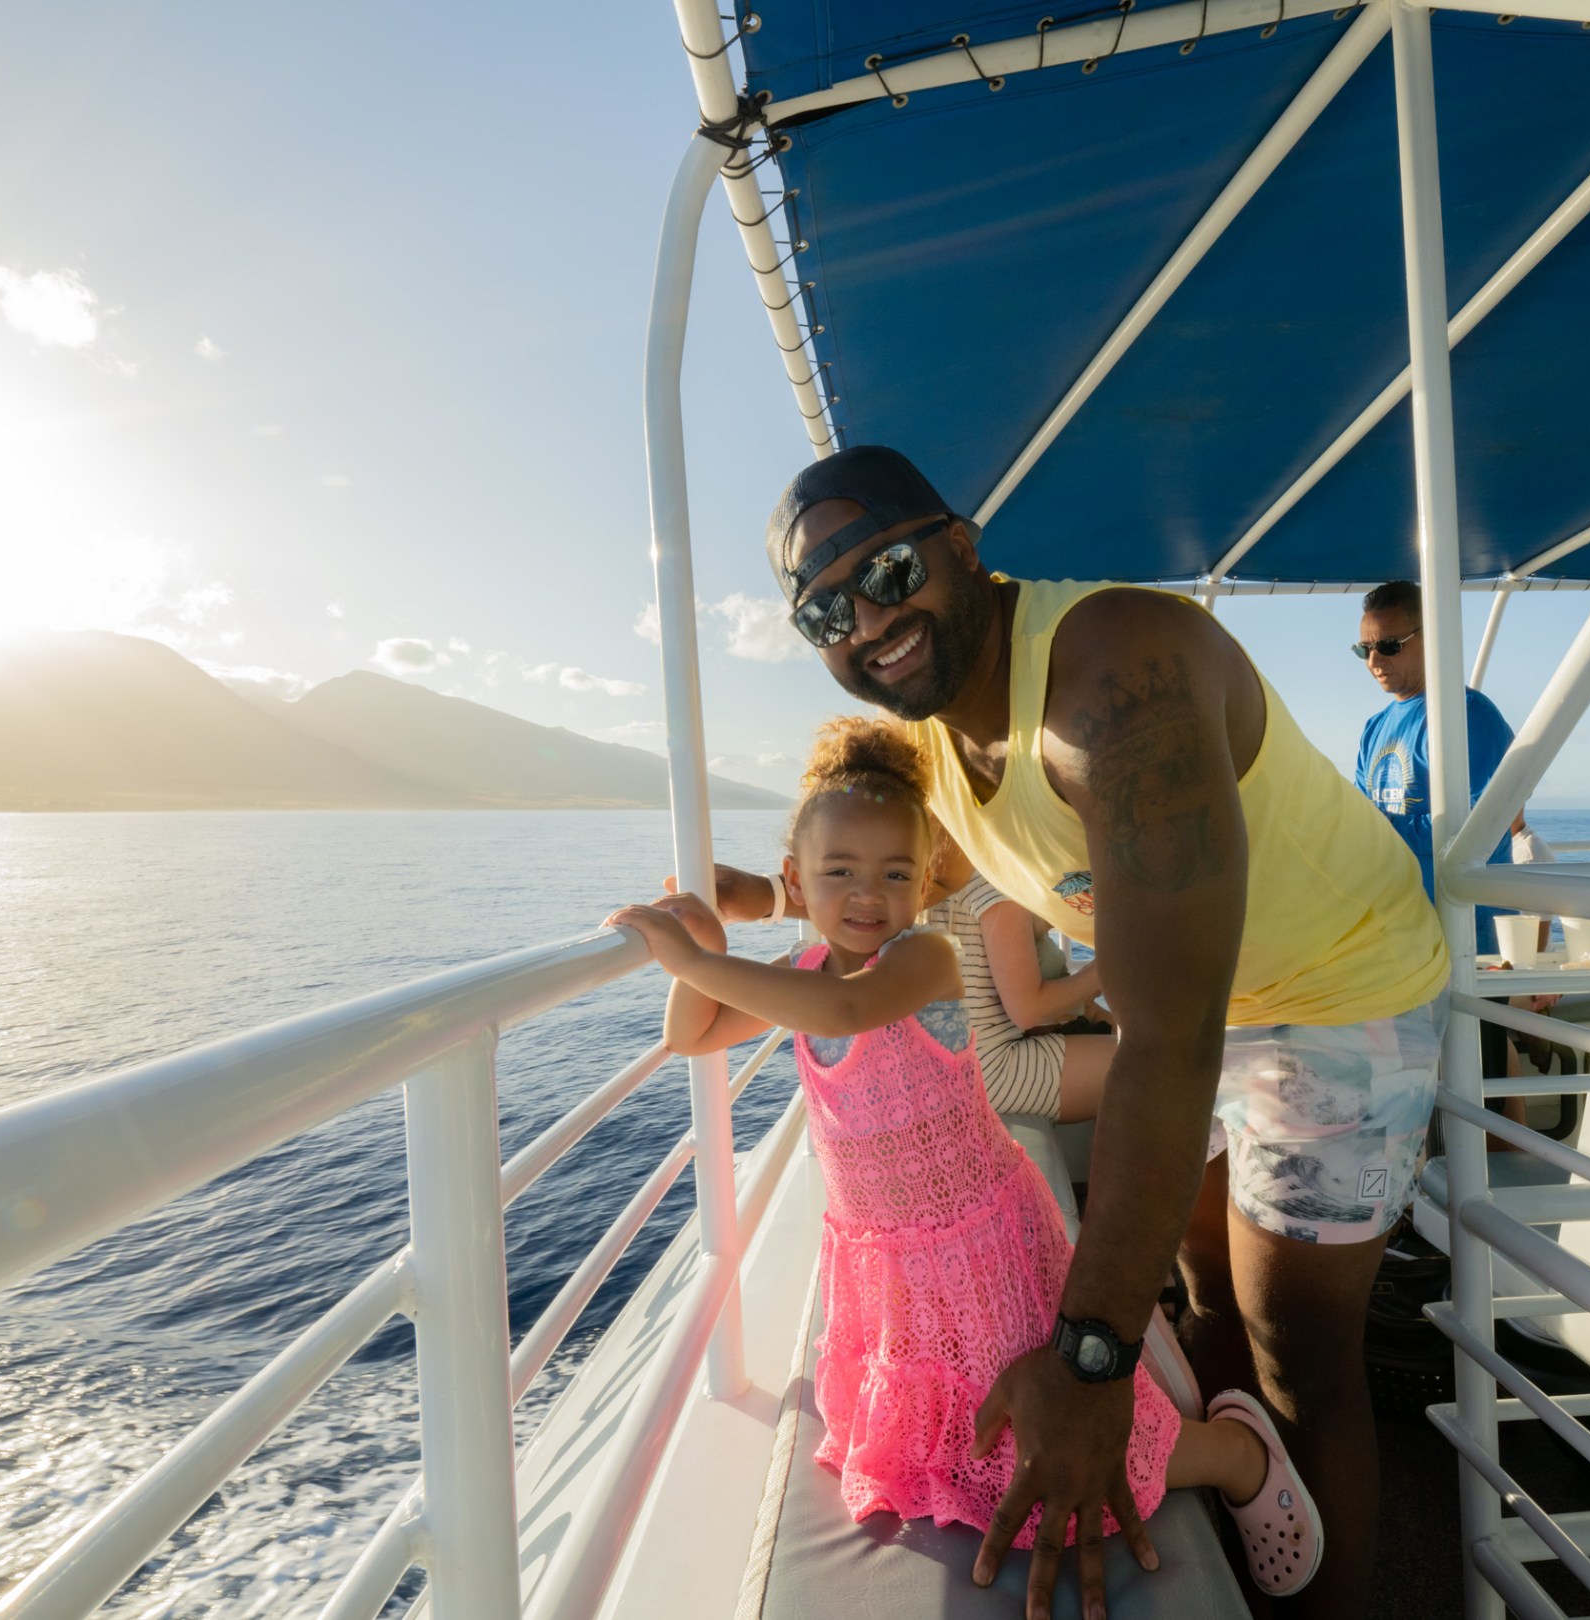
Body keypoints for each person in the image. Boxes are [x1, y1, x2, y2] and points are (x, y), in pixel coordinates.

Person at [709, 444, 1448, 1620]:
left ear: (963, 544)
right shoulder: (942, 737)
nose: (870, 619)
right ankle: (1240, 1533)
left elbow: (1163, 1037)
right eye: (825, 610)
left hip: (1339, 993)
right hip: (1213, 1007)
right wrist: (752, 895)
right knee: (1206, 1293)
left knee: (1295, 1341)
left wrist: (1091, 1359)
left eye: (890, 568)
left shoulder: (1117, 677)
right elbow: (899, 875)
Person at [607, 717, 1323, 1597]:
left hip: (980, 1245)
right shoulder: (805, 969)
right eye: (839, 873)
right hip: (894, 1263)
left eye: (895, 874)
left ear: (925, 883)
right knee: (963, 1446)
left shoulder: (926, 958)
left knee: (1044, 1444)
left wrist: (688, 950)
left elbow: (840, 1016)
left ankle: (1230, 1455)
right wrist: (701, 949)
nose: (869, 894)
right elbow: (696, 1035)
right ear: (796, 881)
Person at [1350, 578, 1521, 960]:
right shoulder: (1374, 728)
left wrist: (1377, 830)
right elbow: (1360, 821)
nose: (1375, 662)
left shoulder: (1467, 715)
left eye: (1389, 646)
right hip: (1397, 942)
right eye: (1365, 649)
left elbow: (1481, 827)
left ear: (1433, 638)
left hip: (1469, 947)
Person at [925, 822, 1112, 1122]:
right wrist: (1112, 964)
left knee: (1117, 1028)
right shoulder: (990, 875)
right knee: (1171, 1066)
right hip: (987, 1075)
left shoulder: (924, 877)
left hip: (937, 1075)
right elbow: (1029, 1010)